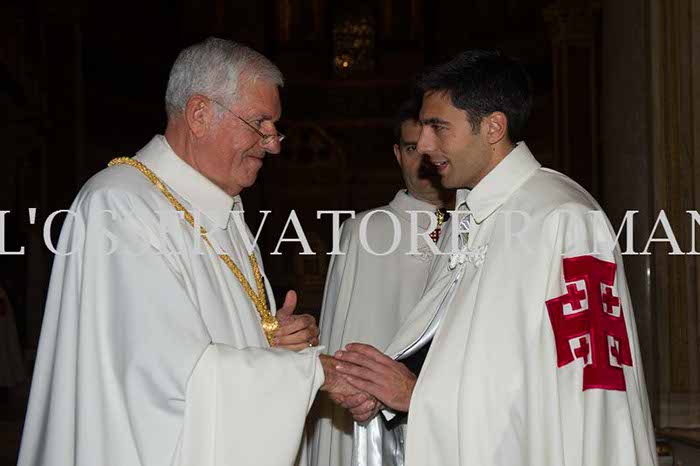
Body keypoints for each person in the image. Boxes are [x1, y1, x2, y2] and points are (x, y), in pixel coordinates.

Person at [18, 37, 357, 466]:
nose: (274, 144)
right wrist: (314, 372)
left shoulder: (220, 207)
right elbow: (163, 380)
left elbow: (194, 340)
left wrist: (269, 340)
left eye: (274, 127)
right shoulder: (120, 205)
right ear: (199, 114)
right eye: (260, 124)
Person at [334, 50, 658, 466]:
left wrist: (417, 396)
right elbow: (461, 352)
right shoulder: (467, 216)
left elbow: (589, 392)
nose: (425, 146)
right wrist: (387, 391)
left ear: (493, 127)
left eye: (438, 127)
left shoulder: (563, 218)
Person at [310, 99, 454, 466]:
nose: (424, 159)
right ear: (398, 154)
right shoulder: (365, 232)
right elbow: (344, 341)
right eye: (412, 148)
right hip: (373, 436)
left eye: (433, 144)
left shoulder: (482, 229)